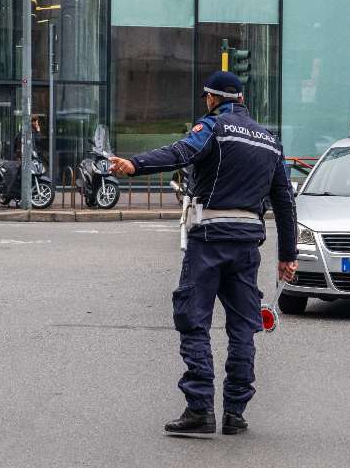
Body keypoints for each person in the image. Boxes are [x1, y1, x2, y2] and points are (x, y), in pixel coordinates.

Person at [109, 71, 298, 438]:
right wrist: (287, 255)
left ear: (213, 98)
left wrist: (136, 165)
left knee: (193, 320)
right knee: (243, 328)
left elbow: (182, 152)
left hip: (209, 240)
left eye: (206, 98)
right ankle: (235, 413)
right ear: (241, 99)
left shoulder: (213, 127)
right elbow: (284, 202)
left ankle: (199, 409)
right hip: (247, 246)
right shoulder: (270, 141)